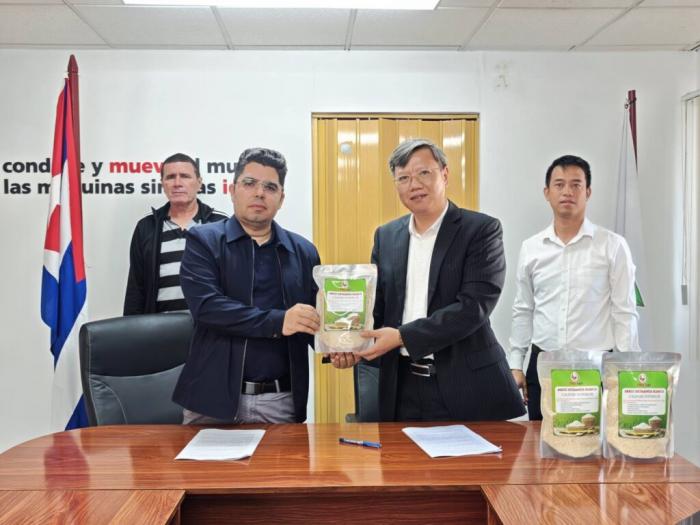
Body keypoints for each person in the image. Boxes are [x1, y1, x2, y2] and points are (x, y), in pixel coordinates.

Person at [332, 139, 525, 422]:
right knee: (400, 453)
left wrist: (402, 336)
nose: (414, 185)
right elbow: (377, 308)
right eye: (403, 178)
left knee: (472, 453)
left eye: (424, 173)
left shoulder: (481, 230)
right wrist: (348, 343)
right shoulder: (386, 236)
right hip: (401, 387)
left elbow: (473, 308)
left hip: (466, 384)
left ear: (444, 174)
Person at [173, 147, 320, 424]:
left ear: (281, 198)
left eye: (270, 187)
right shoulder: (203, 241)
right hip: (210, 397)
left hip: (279, 400)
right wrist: (279, 321)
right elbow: (207, 308)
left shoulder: (302, 251)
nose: (259, 193)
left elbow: (314, 317)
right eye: (250, 183)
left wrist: (339, 346)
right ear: (232, 190)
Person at [509, 155, 640, 420]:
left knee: (593, 442)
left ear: (588, 192)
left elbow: (624, 312)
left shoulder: (612, 246)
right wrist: (516, 364)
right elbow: (523, 309)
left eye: (576, 184)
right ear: (547, 192)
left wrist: (628, 370)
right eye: (559, 184)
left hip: (596, 369)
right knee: (540, 442)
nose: (567, 191)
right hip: (543, 367)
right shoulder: (531, 248)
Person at [123, 152, 226, 315]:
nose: (177, 183)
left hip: (210, 326)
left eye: (185, 176)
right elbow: (136, 290)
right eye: (170, 177)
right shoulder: (146, 227)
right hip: (160, 327)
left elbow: (236, 284)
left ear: (199, 183)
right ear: (162, 184)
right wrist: (131, 327)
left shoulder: (221, 224)